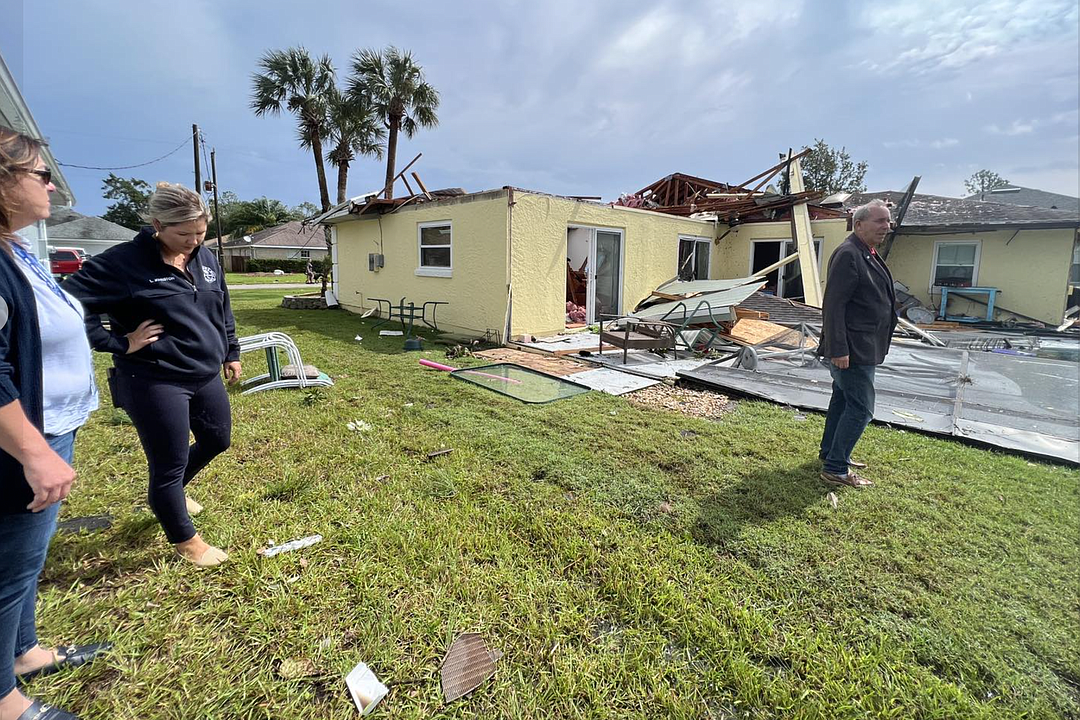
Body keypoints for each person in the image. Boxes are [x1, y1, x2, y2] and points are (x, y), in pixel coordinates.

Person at [63, 183, 241, 568]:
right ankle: (186, 541)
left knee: (217, 440)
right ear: (158, 225)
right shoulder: (122, 263)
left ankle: (172, 494)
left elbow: (221, 306)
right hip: (154, 379)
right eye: (184, 234)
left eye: (201, 232)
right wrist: (119, 342)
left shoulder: (205, 257)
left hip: (204, 372)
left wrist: (231, 351)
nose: (194, 241)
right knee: (169, 462)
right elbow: (66, 305)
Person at [0, 127, 108, 720]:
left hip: (51, 426)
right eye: (40, 174)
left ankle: (25, 652)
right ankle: (6, 702)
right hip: (19, 442)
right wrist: (35, 453)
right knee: (8, 568)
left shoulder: (14, 249)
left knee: (26, 561)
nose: (50, 185)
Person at [817, 199, 897, 488]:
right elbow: (834, 305)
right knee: (862, 408)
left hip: (863, 346)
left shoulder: (867, 252)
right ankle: (835, 468)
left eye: (888, 221)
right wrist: (838, 348)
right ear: (859, 224)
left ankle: (831, 453)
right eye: (880, 221)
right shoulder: (849, 254)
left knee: (843, 401)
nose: (887, 227)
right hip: (852, 349)